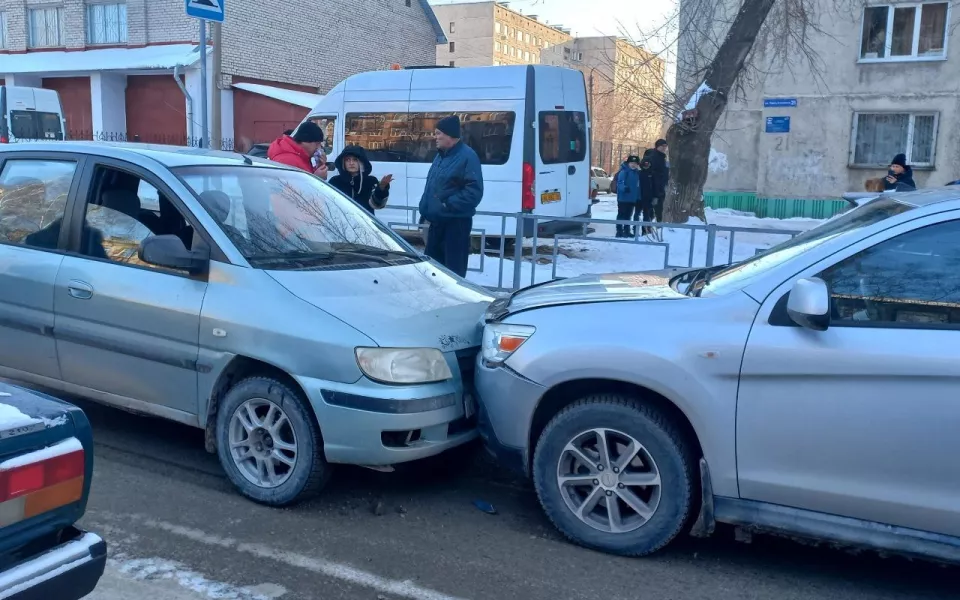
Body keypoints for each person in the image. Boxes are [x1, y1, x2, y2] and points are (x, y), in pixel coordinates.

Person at [418, 115, 483, 277]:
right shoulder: (440, 155)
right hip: (437, 224)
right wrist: (426, 208)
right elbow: (434, 186)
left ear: (450, 135)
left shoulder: (468, 156)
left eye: (439, 133)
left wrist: (448, 205)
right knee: (433, 272)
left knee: (453, 274)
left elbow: (474, 192)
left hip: (455, 225)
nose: (436, 137)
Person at [328, 145, 393, 214]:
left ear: (362, 162)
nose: (351, 163)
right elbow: (328, 204)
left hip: (364, 222)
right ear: (343, 163)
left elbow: (377, 205)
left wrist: (381, 189)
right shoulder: (335, 181)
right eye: (347, 160)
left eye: (355, 160)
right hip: (341, 221)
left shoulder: (370, 181)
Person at [615, 156, 642, 238]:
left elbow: (638, 187)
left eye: (635, 163)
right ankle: (619, 231)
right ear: (628, 163)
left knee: (628, 215)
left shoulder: (637, 173)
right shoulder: (624, 172)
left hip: (632, 198)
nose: (633, 165)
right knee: (621, 214)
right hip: (623, 198)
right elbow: (620, 183)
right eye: (632, 163)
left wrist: (638, 197)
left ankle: (626, 230)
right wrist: (624, 188)